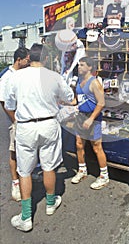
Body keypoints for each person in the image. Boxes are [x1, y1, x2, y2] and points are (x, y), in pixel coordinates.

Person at [4, 43, 74, 232]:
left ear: (30, 58)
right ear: (45, 58)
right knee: (49, 166)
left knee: (24, 170)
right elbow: (69, 96)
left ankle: (26, 217)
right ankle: (50, 203)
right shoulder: (54, 76)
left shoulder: (16, 77)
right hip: (49, 124)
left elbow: (9, 104)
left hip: (26, 126)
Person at [71, 56, 109, 190]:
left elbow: (101, 103)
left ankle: (104, 176)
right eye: (79, 64)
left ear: (90, 67)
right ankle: (82, 171)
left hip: (93, 118)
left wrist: (91, 118)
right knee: (79, 144)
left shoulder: (95, 83)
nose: (79, 67)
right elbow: (77, 101)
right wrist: (65, 103)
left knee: (97, 147)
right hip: (81, 116)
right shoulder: (79, 82)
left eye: (82, 65)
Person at [0, 47, 30, 201]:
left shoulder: (22, 74)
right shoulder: (7, 76)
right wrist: (15, 120)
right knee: (14, 152)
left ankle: (25, 176)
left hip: (26, 119)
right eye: (27, 60)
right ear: (19, 60)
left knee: (25, 151)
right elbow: (3, 102)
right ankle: (15, 183)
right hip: (16, 121)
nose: (28, 62)